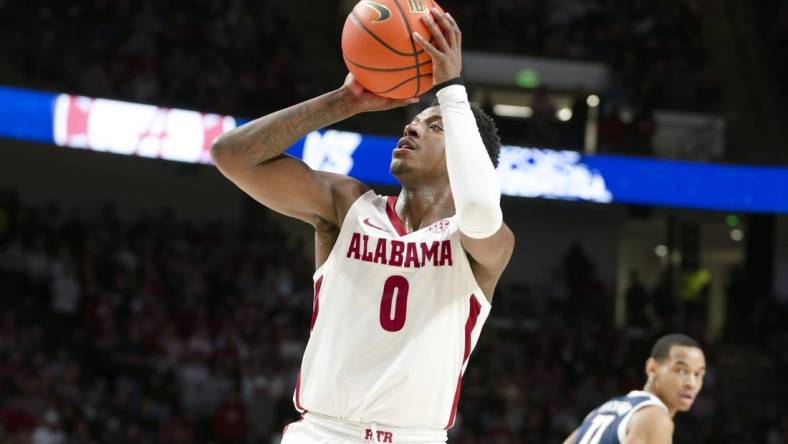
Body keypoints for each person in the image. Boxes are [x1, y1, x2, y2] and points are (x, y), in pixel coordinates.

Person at [210, 8, 514, 444]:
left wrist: (452, 91)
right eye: (414, 121)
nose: (411, 127)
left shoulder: (482, 245)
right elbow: (230, 155)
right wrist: (345, 101)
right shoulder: (348, 205)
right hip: (322, 433)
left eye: (434, 127)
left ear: (467, 157)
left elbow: (482, 206)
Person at [562, 334, 706, 444]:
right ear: (652, 368)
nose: (691, 383)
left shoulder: (603, 410)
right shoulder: (655, 418)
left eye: (698, 374)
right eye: (680, 370)